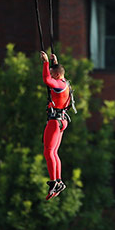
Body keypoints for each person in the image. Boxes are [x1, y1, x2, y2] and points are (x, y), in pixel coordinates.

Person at [40, 51, 74, 200]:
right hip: (62, 120)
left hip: (55, 121)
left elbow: (47, 79)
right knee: (54, 153)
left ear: (57, 75)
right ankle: (58, 181)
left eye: (54, 75)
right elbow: (56, 73)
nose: (52, 77)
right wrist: (54, 62)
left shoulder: (57, 82)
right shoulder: (64, 81)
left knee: (48, 152)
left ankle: (54, 181)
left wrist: (46, 62)